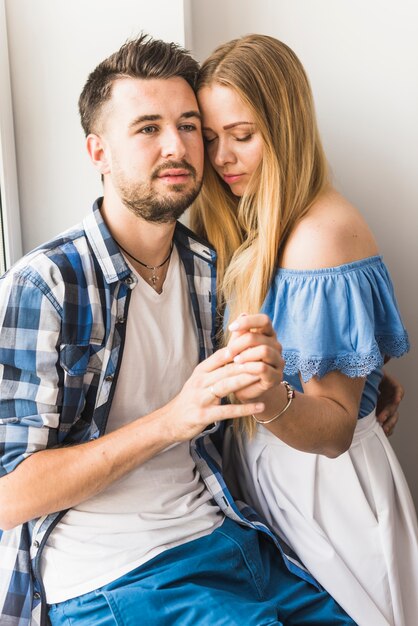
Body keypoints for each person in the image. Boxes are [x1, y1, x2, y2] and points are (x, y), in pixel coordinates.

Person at [0, 34, 360, 626]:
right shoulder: (46, 283)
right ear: (99, 152)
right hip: (112, 576)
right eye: (147, 128)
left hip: (227, 539)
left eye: (189, 125)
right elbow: (10, 492)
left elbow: (279, 388)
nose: (178, 147)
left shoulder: (208, 267)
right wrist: (171, 419)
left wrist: (357, 388)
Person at [191, 33, 418, 626]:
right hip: (279, 472)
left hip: (325, 489)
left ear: (285, 128)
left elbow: (334, 431)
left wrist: (268, 400)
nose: (221, 158)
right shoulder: (251, 220)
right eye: (211, 138)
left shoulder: (319, 235)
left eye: (242, 136)